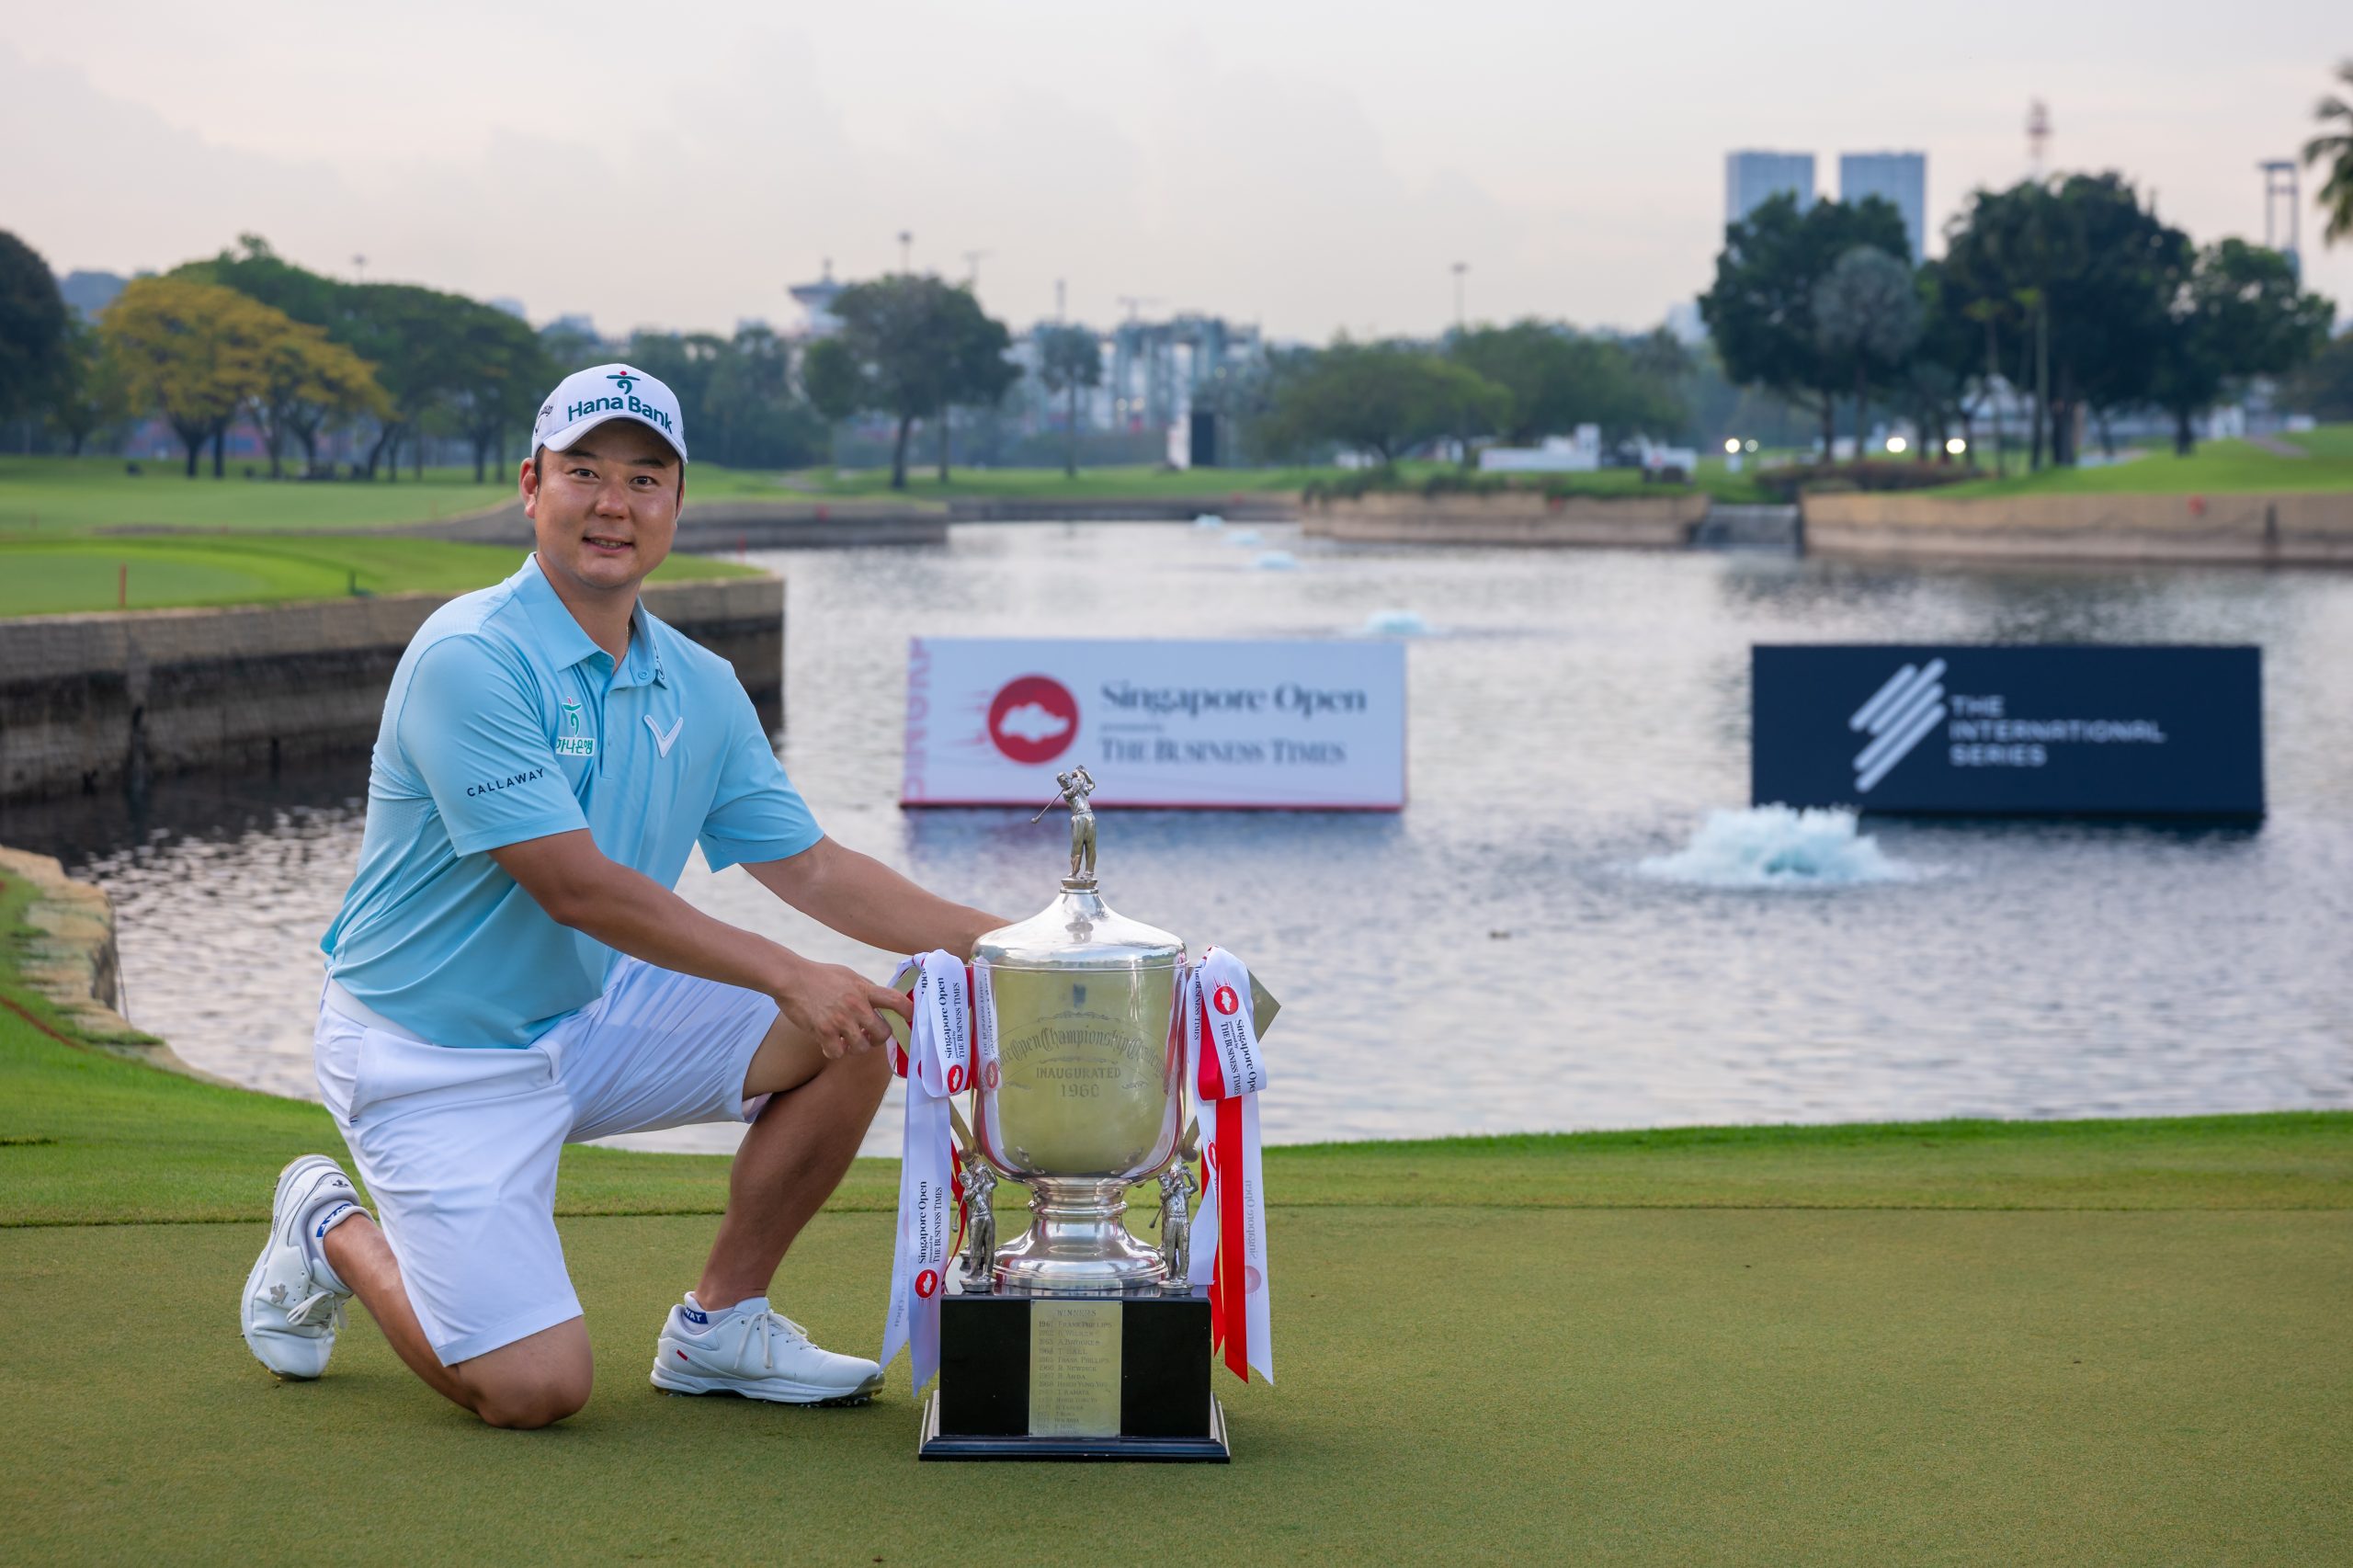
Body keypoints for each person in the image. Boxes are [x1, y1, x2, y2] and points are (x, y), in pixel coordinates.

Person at [238, 364, 1003, 1428]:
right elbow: (574, 886)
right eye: (584, 471)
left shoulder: (699, 682)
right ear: (530, 486)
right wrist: (788, 971)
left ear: (676, 503)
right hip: (430, 1054)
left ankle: (718, 1325)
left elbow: (815, 869)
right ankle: (329, 1224)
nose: (614, 502)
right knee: (533, 1388)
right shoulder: (470, 655)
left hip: (591, 1012)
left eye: (645, 478)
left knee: (858, 1029)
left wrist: (1022, 942)